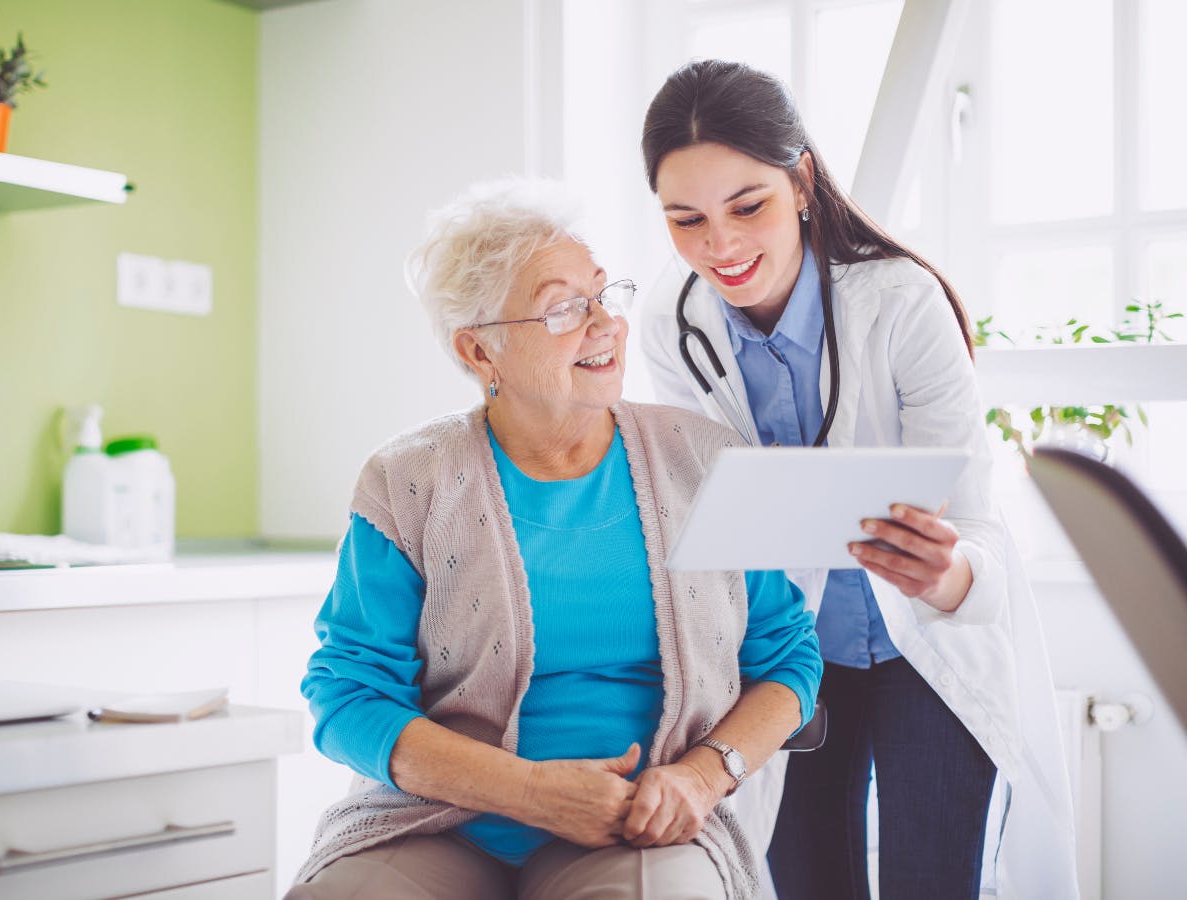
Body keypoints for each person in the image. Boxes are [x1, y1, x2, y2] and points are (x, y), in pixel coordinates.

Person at [287, 177, 823, 900]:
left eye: (602, 294)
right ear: (480, 353)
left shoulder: (704, 461)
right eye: (564, 309)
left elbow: (787, 657)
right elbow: (347, 692)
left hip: (637, 827)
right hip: (437, 825)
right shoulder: (409, 480)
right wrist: (528, 791)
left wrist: (702, 776)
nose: (603, 324)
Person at [638, 60, 1079, 900]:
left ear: (801, 180)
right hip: (787, 661)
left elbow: (975, 523)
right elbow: (713, 507)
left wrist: (947, 575)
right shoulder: (674, 322)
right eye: (685, 219)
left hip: (929, 652)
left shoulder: (902, 303)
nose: (720, 247)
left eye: (748, 206)